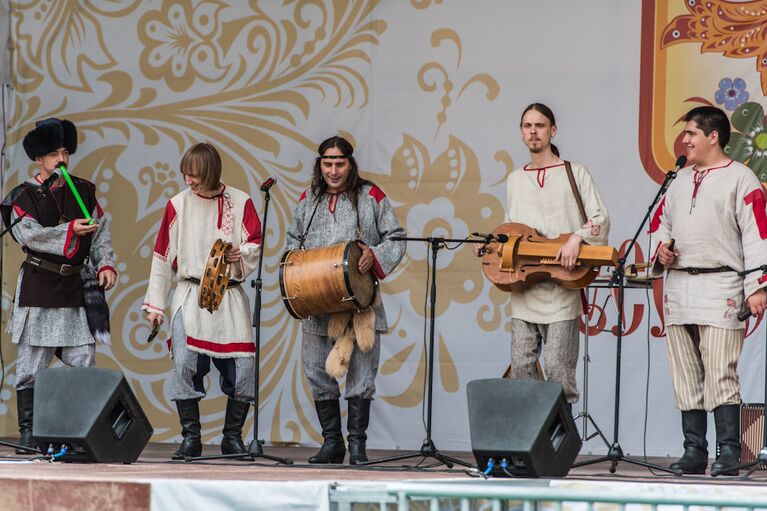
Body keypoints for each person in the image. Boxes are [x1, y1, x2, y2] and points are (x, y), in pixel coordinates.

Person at [651, 106, 767, 476]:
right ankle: (694, 451)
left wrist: (758, 287)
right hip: (680, 284)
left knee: (720, 371)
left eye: (691, 134)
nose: (685, 140)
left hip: (722, 283)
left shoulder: (741, 179)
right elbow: (661, 223)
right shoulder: (678, 180)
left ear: (713, 136)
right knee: (686, 372)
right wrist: (662, 249)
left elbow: (757, 235)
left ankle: (728, 453)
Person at [474, 103, 610, 408]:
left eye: (540, 125)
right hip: (525, 289)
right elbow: (513, 230)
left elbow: (600, 217)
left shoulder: (575, 172)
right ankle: (535, 440)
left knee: (560, 372)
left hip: (562, 288)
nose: (533, 131)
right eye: (527, 126)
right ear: (521, 133)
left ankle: (559, 446)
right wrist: (491, 245)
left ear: (553, 131)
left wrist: (577, 237)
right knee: (521, 368)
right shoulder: (515, 179)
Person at [286, 135, 405, 464]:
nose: (333, 171)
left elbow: (396, 236)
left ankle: (357, 445)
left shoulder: (371, 197)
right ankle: (332, 443)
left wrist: (374, 257)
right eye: (327, 164)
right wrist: (301, 265)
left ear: (351, 164)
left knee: (362, 373)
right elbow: (293, 240)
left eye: (340, 164)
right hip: (317, 299)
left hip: (359, 303)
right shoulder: (308, 199)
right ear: (319, 164)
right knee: (314, 369)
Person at [0, 118, 116, 453]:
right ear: (39, 159)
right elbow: (29, 234)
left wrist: (105, 264)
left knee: (83, 362)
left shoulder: (84, 190)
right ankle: (29, 435)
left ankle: (77, 435)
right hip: (39, 285)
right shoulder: (22, 197)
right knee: (31, 367)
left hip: (75, 288)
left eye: (65, 151)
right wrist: (68, 233)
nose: (61, 159)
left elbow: (101, 233)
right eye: (54, 153)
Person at [142, 142, 262, 459]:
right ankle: (191, 439)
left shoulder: (241, 202)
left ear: (210, 174)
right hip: (190, 295)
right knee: (184, 365)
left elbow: (256, 244)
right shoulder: (177, 205)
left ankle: (232, 438)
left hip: (229, 297)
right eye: (186, 174)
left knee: (243, 370)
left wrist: (241, 254)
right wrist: (154, 306)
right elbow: (161, 258)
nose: (188, 181)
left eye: (194, 175)